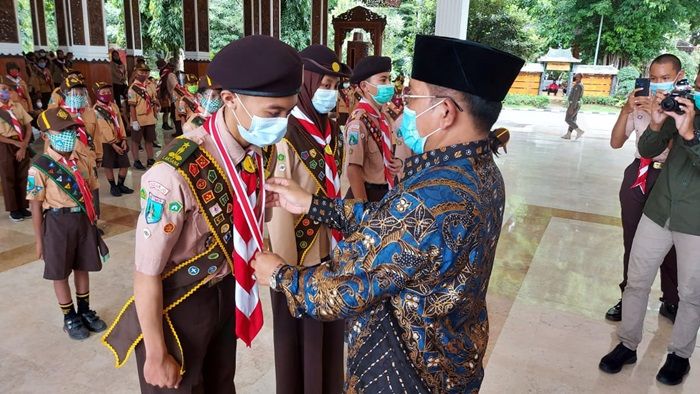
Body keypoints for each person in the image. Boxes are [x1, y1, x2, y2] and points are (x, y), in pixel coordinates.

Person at [252, 35, 524, 393]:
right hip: (454, 360)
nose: (404, 106)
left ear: (444, 111)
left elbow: (344, 292)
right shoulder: (480, 171)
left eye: (412, 96)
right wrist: (313, 204)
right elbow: (390, 221)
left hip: (403, 371)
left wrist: (280, 275)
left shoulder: (428, 196)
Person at [101, 35, 302, 393]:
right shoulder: (175, 171)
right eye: (274, 113)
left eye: (287, 112)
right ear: (229, 99)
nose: (282, 123)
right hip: (180, 304)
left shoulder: (257, 153)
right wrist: (156, 352)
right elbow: (146, 273)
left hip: (226, 290)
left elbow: (252, 225)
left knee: (222, 383)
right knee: (183, 385)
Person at [599, 68, 700, 386]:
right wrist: (657, 122)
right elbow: (647, 150)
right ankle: (627, 344)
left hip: (695, 221)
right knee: (636, 281)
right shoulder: (684, 107)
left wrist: (690, 136)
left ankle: (678, 356)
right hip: (658, 211)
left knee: (692, 294)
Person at [266, 44, 350, 394]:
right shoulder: (283, 134)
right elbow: (273, 199)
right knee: (299, 341)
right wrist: (282, 265)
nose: (329, 93)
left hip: (333, 251)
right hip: (298, 258)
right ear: (305, 83)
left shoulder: (331, 132)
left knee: (330, 336)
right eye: (324, 85)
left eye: (334, 86)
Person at [606, 54, 681, 322]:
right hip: (639, 174)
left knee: (670, 242)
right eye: (654, 78)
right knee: (633, 240)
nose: (659, 84)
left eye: (665, 78)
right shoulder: (638, 105)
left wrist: (659, 119)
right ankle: (629, 298)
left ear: (678, 78)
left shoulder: (682, 110)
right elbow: (616, 142)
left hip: (671, 179)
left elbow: (680, 152)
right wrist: (627, 110)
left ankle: (672, 299)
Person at [27, 107, 109, 340]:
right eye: (62, 130)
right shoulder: (40, 167)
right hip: (56, 222)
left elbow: (92, 188)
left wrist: (94, 220)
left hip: (81, 220)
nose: (69, 134)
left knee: (82, 265)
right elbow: (35, 204)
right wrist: (39, 240)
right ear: (46, 136)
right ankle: (69, 316)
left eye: (72, 129)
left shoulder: (81, 159)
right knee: (60, 272)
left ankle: (84, 310)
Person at [344, 56, 403, 201]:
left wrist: (397, 163)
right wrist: (363, 209)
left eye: (389, 79)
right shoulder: (358, 123)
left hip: (387, 191)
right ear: (364, 86)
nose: (389, 85)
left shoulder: (384, 117)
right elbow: (353, 169)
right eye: (383, 80)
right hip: (368, 195)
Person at [0, 76, 33, 222]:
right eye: (1, 90)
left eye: (6, 89)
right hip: (6, 145)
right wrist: (16, 145)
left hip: (21, 144)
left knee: (23, 176)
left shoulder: (17, 106)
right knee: (9, 177)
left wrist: (24, 145)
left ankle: (23, 206)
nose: (4, 92)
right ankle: (13, 209)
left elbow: (28, 126)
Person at [93, 81, 133, 197]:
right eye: (103, 92)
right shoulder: (96, 110)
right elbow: (103, 128)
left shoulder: (113, 105)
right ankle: (113, 186)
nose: (107, 94)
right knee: (109, 165)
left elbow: (119, 122)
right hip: (107, 142)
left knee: (124, 163)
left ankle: (121, 184)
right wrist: (113, 144)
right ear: (97, 93)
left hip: (119, 138)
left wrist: (124, 139)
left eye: (108, 91)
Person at [128, 62, 159, 170]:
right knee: (136, 141)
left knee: (149, 140)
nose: (144, 74)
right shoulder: (133, 88)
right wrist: (134, 121)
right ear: (136, 73)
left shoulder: (150, 85)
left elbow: (153, 100)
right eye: (141, 72)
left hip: (149, 117)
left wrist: (156, 111)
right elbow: (132, 106)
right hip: (138, 118)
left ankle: (150, 159)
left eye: (146, 72)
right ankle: (136, 160)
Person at [562, 73, 585, 139]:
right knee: (573, 119)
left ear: (580, 78)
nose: (575, 78)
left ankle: (579, 131)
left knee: (568, 119)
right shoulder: (578, 85)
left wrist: (572, 107)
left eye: (577, 77)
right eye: (575, 76)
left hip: (574, 104)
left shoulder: (578, 86)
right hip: (576, 104)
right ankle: (568, 134)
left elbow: (575, 97)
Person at [156, 60, 174, 131]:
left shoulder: (164, 71)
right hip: (165, 92)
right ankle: (165, 123)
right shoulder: (165, 71)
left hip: (166, 92)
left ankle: (166, 123)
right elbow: (164, 83)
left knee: (167, 110)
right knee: (166, 109)